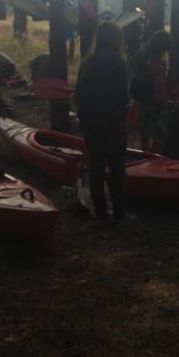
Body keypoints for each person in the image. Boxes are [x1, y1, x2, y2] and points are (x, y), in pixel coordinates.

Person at [74, 21, 130, 221]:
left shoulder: (87, 62)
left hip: (92, 122)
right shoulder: (119, 62)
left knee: (96, 168)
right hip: (114, 122)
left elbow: (79, 95)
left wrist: (84, 117)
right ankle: (119, 213)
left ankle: (100, 214)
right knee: (116, 169)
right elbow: (123, 96)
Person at [129, 30, 172, 153]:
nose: (166, 51)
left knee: (159, 131)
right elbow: (132, 72)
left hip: (159, 99)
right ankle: (146, 153)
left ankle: (156, 153)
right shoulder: (142, 57)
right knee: (146, 130)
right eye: (165, 48)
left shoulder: (158, 57)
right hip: (147, 99)